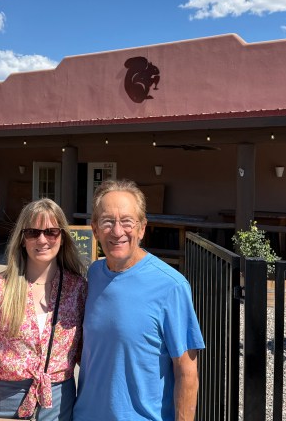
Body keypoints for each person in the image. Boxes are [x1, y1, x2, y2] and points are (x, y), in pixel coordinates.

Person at [73, 179, 204, 421]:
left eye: (127, 221)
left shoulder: (171, 286)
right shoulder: (94, 275)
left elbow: (186, 372)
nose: (117, 231)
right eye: (108, 221)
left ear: (142, 228)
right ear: (94, 229)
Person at [0, 198, 87, 420]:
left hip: (58, 409)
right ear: (22, 238)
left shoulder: (77, 289)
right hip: (3, 408)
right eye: (32, 232)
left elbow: (90, 355)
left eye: (51, 232)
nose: (42, 239)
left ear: (62, 237)